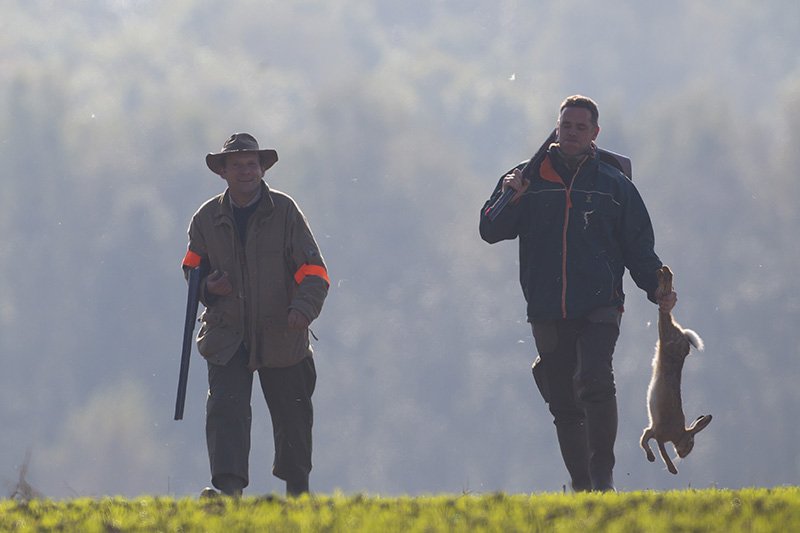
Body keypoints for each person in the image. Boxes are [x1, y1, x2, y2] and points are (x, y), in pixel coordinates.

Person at [479, 95, 676, 492]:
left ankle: (602, 477)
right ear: (557, 127)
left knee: (595, 379)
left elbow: (638, 245)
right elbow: (490, 230)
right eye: (565, 125)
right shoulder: (526, 178)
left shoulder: (614, 184)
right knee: (565, 402)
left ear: (594, 134)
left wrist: (657, 286)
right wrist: (511, 194)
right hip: (546, 307)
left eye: (580, 127)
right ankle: (583, 484)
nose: (571, 133)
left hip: (601, 304)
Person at [181, 132, 329, 497]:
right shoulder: (204, 219)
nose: (246, 171)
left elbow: (315, 272)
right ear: (223, 172)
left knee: (293, 418)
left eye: (252, 164)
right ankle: (229, 493)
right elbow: (191, 269)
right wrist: (207, 289)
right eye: (237, 165)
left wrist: (302, 310)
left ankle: (298, 493)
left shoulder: (286, 212)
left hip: (282, 333)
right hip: (227, 335)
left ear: (262, 169)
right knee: (226, 413)